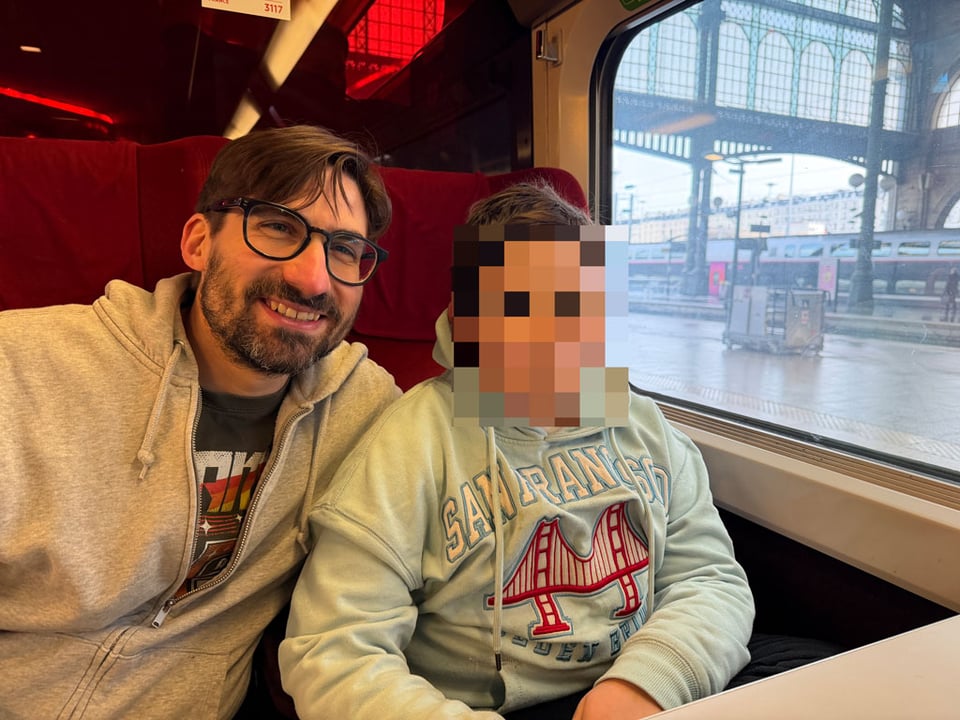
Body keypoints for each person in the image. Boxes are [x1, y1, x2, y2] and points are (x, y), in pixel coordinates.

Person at [279, 182, 755, 719]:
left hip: (649, 682)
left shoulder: (646, 425)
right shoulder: (408, 444)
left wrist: (647, 684)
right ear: (464, 317)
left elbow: (709, 579)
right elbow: (333, 650)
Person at [0, 125, 401, 719]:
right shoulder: (21, 365)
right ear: (197, 242)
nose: (314, 279)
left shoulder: (369, 411)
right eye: (279, 227)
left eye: (343, 249)